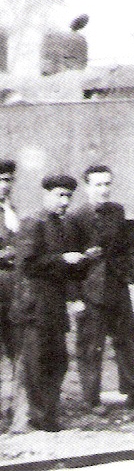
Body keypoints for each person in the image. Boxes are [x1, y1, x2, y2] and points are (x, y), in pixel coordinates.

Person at [12, 174, 98, 431]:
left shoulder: (64, 226)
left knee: (57, 360)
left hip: (54, 305)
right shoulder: (32, 222)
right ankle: (40, 419)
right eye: (59, 195)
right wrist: (63, 259)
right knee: (37, 363)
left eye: (69, 196)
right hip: (33, 305)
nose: (64, 201)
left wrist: (85, 260)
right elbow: (27, 263)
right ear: (46, 195)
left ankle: (48, 414)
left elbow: (67, 270)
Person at [69, 165, 134, 413]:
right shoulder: (76, 216)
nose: (104, 189)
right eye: (98, 184)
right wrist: (75, 296)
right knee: (91, 345)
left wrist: (130, 269)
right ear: (87, 187)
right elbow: (72, 262)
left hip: (117, 285)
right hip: (91, 288)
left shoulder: (117, 211)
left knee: (128, 341)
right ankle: (91, 398)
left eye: (107, 184)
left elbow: (124, 247)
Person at [0, 159, 30, 433]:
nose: (4, 186)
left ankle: (18, 414)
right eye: (0, 180)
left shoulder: (13, 211)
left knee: (18, 349)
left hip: (13, 288)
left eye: (8, 180)